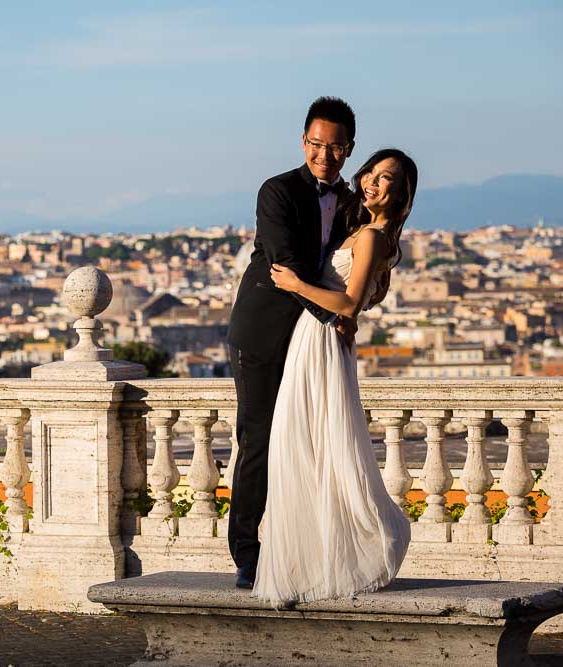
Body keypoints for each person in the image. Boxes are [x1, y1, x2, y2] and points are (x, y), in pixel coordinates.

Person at [253, 148, 418, 606]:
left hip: (322, 336)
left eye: (387, 180)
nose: (372, 183)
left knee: (308, 446)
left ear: (400, 194)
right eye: (372, 173)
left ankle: (365, 542)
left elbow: (347, 303)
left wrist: (296, 285)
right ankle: (312, 565)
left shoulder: (371, 237)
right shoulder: (364, 230)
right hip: (318, 338)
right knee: (309, 447)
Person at [226, 97, 358, 589]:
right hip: (262, 332)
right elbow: (285, 267)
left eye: (336, 147)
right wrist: (337, 313)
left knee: (307, 441)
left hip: (312, 337)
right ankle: (246, 553)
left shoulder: (349, 201)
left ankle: (299, 547)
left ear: (348, 149)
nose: (324, 156)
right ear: (304, 141)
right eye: (316, 145)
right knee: (257, 440)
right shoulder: (276, 191)